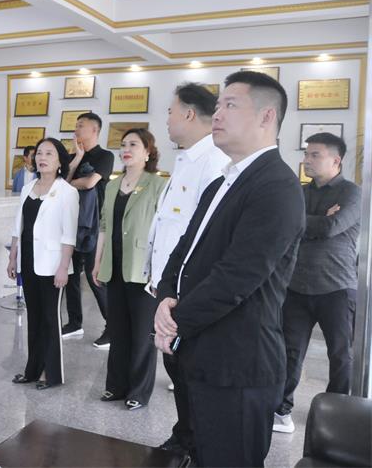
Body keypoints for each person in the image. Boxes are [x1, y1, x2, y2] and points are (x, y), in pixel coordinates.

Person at [154, 71, 305, 467]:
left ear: (266, 117)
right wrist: (165, 295)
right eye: (218, 105)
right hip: (201, 354)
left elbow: (236, 277)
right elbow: (184, 250)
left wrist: (173, 322)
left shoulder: (277, 187)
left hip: (238, 364)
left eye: (231, 105)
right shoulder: (222, 182)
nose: (217, 114)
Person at [147, 83, 229, 458]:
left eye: (170, 111)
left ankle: (195, 443)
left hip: (187, 292)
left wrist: (179, 293)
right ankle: (185, 436)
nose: (166, 119)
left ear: (190, 114)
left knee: (188, 371)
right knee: (176, 367)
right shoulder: (186, 159)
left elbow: (205, 238)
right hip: (170, 287)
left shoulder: (212, 162)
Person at [272, 132, 361, 434]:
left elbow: (331, 227)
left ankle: (337, 418)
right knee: (289, 352)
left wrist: (310, 222)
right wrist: (317, 219)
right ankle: (280, 410)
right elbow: (286, 225)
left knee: (340, 355)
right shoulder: (299, 191)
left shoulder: (352, 193)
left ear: (336, 160)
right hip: (296, 286)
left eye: (314, 155)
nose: (306, 160)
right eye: (306, 154)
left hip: (337, 287)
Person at [92, 128, 166, 410]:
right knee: (118, 330)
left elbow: (163, 230)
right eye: (123, 144)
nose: (126, 149)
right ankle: (115, 386)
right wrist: (97, 262)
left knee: (142, 334)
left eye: (133, 145)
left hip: (142, 269)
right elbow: (104, 226)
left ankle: (138, 392)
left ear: (147, 152)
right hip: (114, 267)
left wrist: (160, 270)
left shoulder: (157, 184)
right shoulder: (112, 185)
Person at [8, 138, 79, 390]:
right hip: (28, 260)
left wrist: (63, 268)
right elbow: (18, 226)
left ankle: (52, 374)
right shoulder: (28, 187)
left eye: (49, 153)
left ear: (60, 161)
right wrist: (13, 256)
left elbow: (69, 235)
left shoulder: (67, 192)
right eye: (39, 153)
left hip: (52, 264)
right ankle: (32, 370)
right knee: (34, 317)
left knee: (50, 318)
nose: (42, 157)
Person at [64, 112, 114, 347]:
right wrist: (77, 159)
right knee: (71, 276)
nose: (76, 130)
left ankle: (112, 327)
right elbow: (61, 185)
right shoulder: (72, 157)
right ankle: (75, 323)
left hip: (94, 225)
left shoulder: (105, 156)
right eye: (75, 126)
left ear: (95, 130)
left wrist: (71, 182)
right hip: (71, 223)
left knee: (95, 277)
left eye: (80, 126)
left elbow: (90, 182)